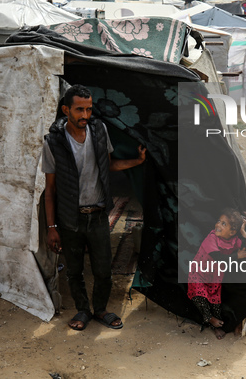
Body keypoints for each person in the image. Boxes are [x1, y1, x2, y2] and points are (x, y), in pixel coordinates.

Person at [42, 84, 146, 331]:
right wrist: (51, 227)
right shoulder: (53, 142)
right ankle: (82, 310)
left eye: (88, 109)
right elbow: (50, 190)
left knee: (103, 270)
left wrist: (137, 161)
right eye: (79, 110)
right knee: (74, 270)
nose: (85, 116)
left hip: (98, 215)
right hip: (70, 218)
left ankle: (100, 309)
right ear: (66, 109)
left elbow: (108, 166)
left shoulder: (99, 131)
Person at [187, 208, 246, 340]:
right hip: (199, 274)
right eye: (219, 221)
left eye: (224, 224)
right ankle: (210, 319)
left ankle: (216, 326)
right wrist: (237, 256)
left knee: (215, 302)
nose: (218, 225)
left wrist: (243, 233)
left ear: (233, 232)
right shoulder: (211, 238)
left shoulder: (234, 240)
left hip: (215, 276)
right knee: (200, 297)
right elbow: (218, 258)